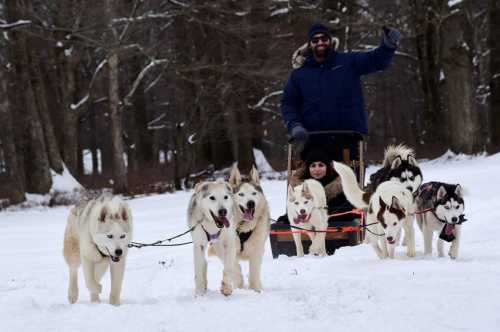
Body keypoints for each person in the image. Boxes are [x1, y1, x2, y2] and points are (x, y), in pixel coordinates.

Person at [280, 22, 401, 155]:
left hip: (349, 139)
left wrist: (388, 46)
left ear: (330, 41)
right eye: (315, 40)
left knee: (349, 176)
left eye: (324, 38)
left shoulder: (348, 61)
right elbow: (288, 103)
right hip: (313, 141)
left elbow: (376, 60)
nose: (320, 42)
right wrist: (294, 125)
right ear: (310, 44)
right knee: (314, 176)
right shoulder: (299, 74)